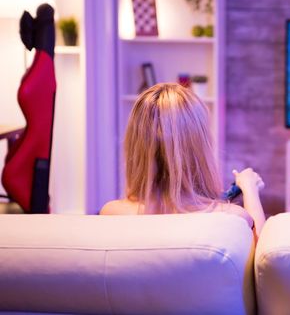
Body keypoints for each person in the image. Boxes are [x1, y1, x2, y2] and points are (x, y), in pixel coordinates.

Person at [100, 83, 266, 238]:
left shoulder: (110, 214)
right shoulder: (232, 219)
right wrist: (250, 188)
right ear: (200, 148)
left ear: (135, 146)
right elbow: (262, 261)